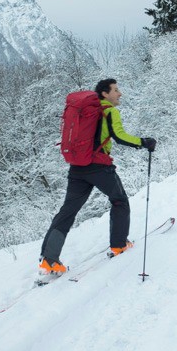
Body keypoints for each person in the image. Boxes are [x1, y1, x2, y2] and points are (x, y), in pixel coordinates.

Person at [39, 78, 156, 274]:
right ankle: (119, 245)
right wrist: (144, 142)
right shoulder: (109, 111)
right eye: (116, 90)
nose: (120, 94)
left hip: (77, 168)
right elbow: (119, 136)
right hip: (99, 167)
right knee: (119, 201)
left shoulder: (85, 112)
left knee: (67, 212)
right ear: (104, 93)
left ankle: (49, 260)